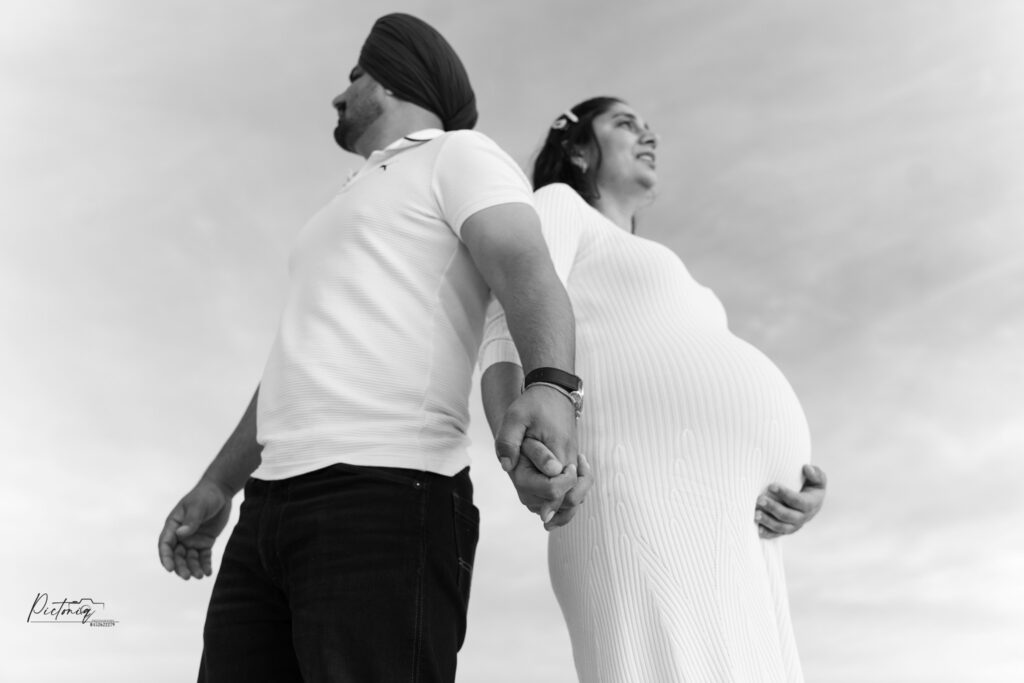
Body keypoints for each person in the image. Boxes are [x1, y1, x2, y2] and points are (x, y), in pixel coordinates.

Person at [156, 14, 590, 683]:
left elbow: (524, 265)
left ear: (389, 78)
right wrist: (219, 482)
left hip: (386, 495)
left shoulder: (457, 155)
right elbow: (293, 362)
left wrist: (553, 386)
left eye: (353, 76)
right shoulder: (345, 201)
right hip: (266, 514)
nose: (340, 94)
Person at [480, 97, 828, 682]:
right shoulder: (559, 204)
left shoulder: (663, 264)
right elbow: (506, 322)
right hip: (634, 493)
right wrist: (517, 452)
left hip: (738, 528)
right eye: (625, 124)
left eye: (647, 126)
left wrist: (794, 485)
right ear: (578, 149)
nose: (649, 135)